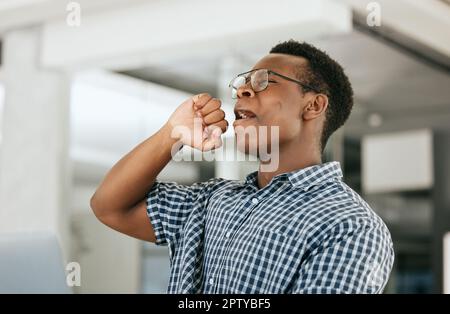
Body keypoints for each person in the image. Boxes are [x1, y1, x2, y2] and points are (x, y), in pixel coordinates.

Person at [90, 40, 394, 293]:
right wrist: (172, 132)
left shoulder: (350, 226)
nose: (243, 91)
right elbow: (109, 206)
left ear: (313, 106)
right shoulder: (212, 201)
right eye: (243, 82)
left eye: (263, 81)